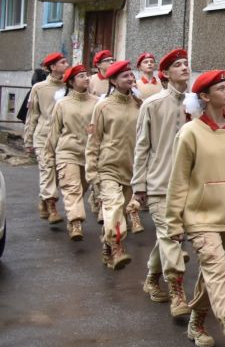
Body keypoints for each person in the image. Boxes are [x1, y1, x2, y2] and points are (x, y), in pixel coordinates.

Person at [165, 70, 225, 347]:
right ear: (204, 96)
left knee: (212, 273)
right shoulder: (189, 132)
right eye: (221, 88)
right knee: (218, 270)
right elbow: (178, 181)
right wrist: (173, 223)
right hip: (200, 217)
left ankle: (197, 320)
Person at [132, 49, 192, 317]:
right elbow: (142, 147)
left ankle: (151, 279)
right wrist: (139, 186)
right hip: (159, 183)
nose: (184, 67)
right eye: (177, 65)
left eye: (186, 64)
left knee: (169, 238)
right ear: (165, 74)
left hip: (189, 186)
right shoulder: (152, 104)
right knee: (171, 235)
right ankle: (177, 291)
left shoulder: (195, 105)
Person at [85, 60, 142, 271]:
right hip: (108, 166)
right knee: (114, 207)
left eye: (131, 75)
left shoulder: (139, 104)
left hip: (132, 169)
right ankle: (118, 246)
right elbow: (94, 140)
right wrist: (92, 171)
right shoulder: (103, 106)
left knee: (119, 212)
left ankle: (107, 246)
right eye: (124, 76)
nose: (130, 78)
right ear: (113, 80)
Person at [44, 64, 96, 241]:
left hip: (89, 155)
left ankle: (72, 214)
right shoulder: (62, 104)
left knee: (81, 189)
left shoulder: (97, 103)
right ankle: (76, 223)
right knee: (71, 187)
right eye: (81, 76)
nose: (86, 78)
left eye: (87, 75)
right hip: (67, 153)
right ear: (71, 82)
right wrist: (48, 155)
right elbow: (54, 132)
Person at [24, 52, 69, 222]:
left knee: (57, 172)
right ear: (52, 67)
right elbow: (32, 115)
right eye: (63, 62)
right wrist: (28, 139)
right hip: (43, 136)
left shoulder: (69, 85)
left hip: (63, 136)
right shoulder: (39, 87)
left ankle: (44, 199)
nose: (67, 64)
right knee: (47, 168)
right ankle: (52, 207)